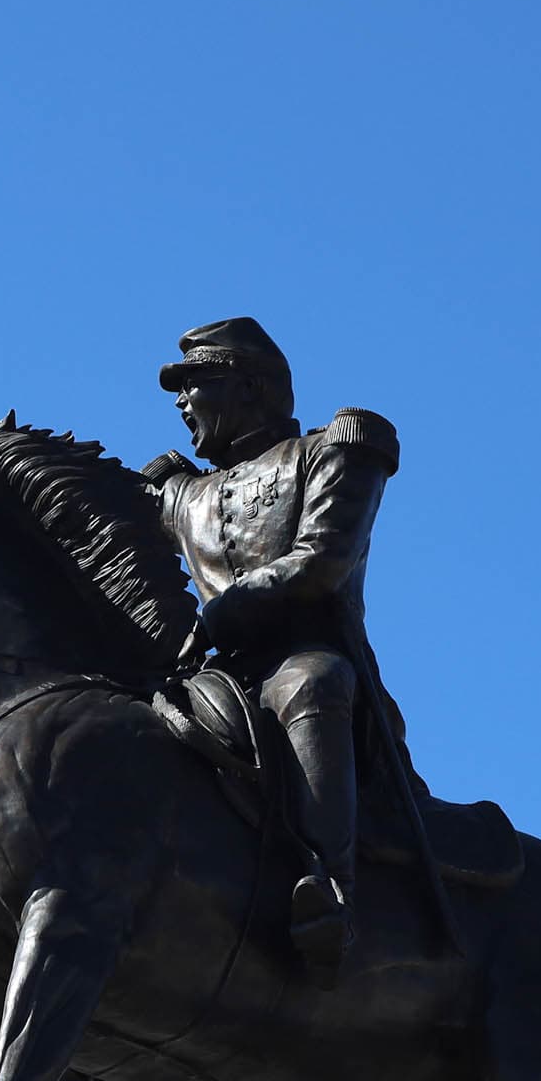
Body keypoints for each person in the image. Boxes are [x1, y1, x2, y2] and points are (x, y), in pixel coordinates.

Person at [142, 317, 404, 986]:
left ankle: (330, 896)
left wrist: (228, 608)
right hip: (211, 679)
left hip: (302, 658)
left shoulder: (334, 450)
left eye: (194, 384)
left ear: (248, 386)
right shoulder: (179, 495)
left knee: (311, 683)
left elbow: (323, 560)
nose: (180, 402)